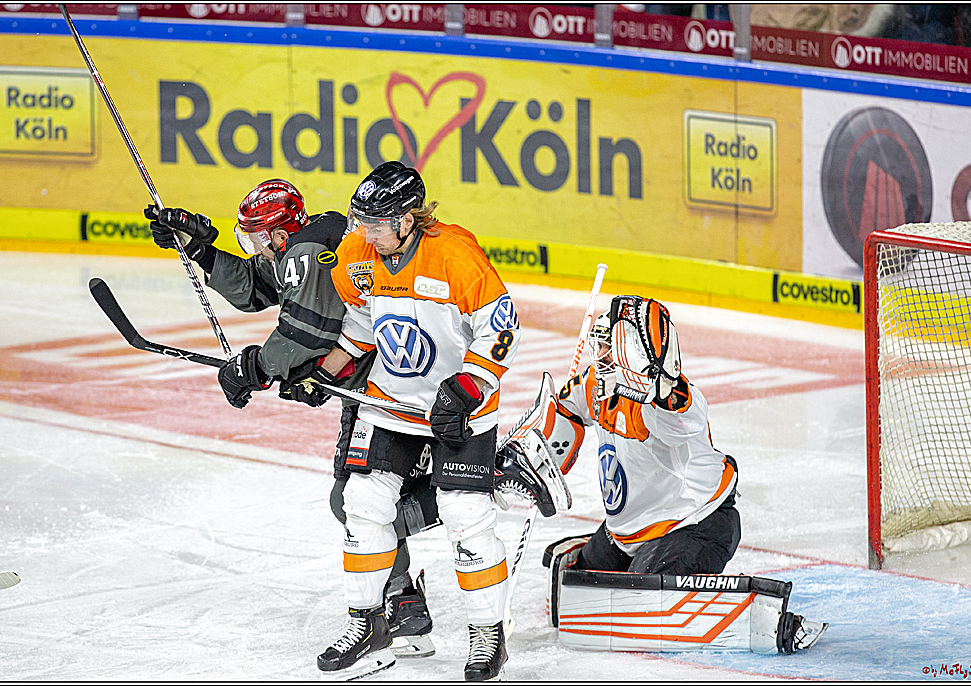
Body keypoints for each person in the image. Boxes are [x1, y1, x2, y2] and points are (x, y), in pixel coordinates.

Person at [142, 180, 439, 657]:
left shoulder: (306, 249)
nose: (257, 246)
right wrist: (203, 251)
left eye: (259, 237)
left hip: (391, 390)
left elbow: (306, 327)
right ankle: (403, 599)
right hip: (377, 381)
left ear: (281, 234)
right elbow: (258, 290)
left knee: (355, 502)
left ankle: (476, 494)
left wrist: (257, 366)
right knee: (365, 502)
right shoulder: (307, 242)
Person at [317, 161, 521, 681]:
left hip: (458, 410)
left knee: (466, 519)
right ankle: (367, 623)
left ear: (411, 218)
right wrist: (324, 371)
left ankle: (487, 635)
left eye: (379, 225)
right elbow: (361, 324)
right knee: (362, 505)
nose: (368, 234)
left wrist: (466, 389)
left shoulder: (453, 254)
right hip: (389, 402)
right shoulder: (359, 252)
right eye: (363, 223)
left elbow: (501, 329)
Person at [542, 295, 827, 654]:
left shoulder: (669, 403)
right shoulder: (595, 385)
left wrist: (658, 388)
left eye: (606, 347)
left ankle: (764, 618)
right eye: (596, 345)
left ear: (629, 352)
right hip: (632, 529)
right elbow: (566, 409)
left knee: (638, 610)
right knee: (574, 586)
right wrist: (542, 447)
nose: (598, 356)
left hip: (695, 525)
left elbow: (680, 411)